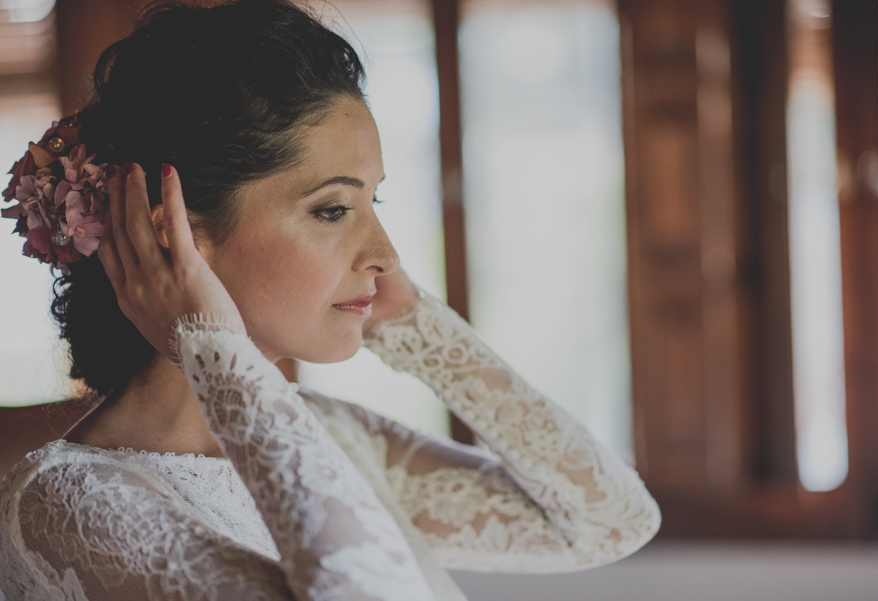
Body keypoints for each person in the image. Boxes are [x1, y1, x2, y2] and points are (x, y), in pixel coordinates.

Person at [0, 1, 661, 599]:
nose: (388, 253)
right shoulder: (70, 500)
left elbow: (611, 521)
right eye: (333, 209)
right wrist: (212, 347)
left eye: (376, 201)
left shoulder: (320, 434)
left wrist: (415, 328)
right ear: (173, 237)